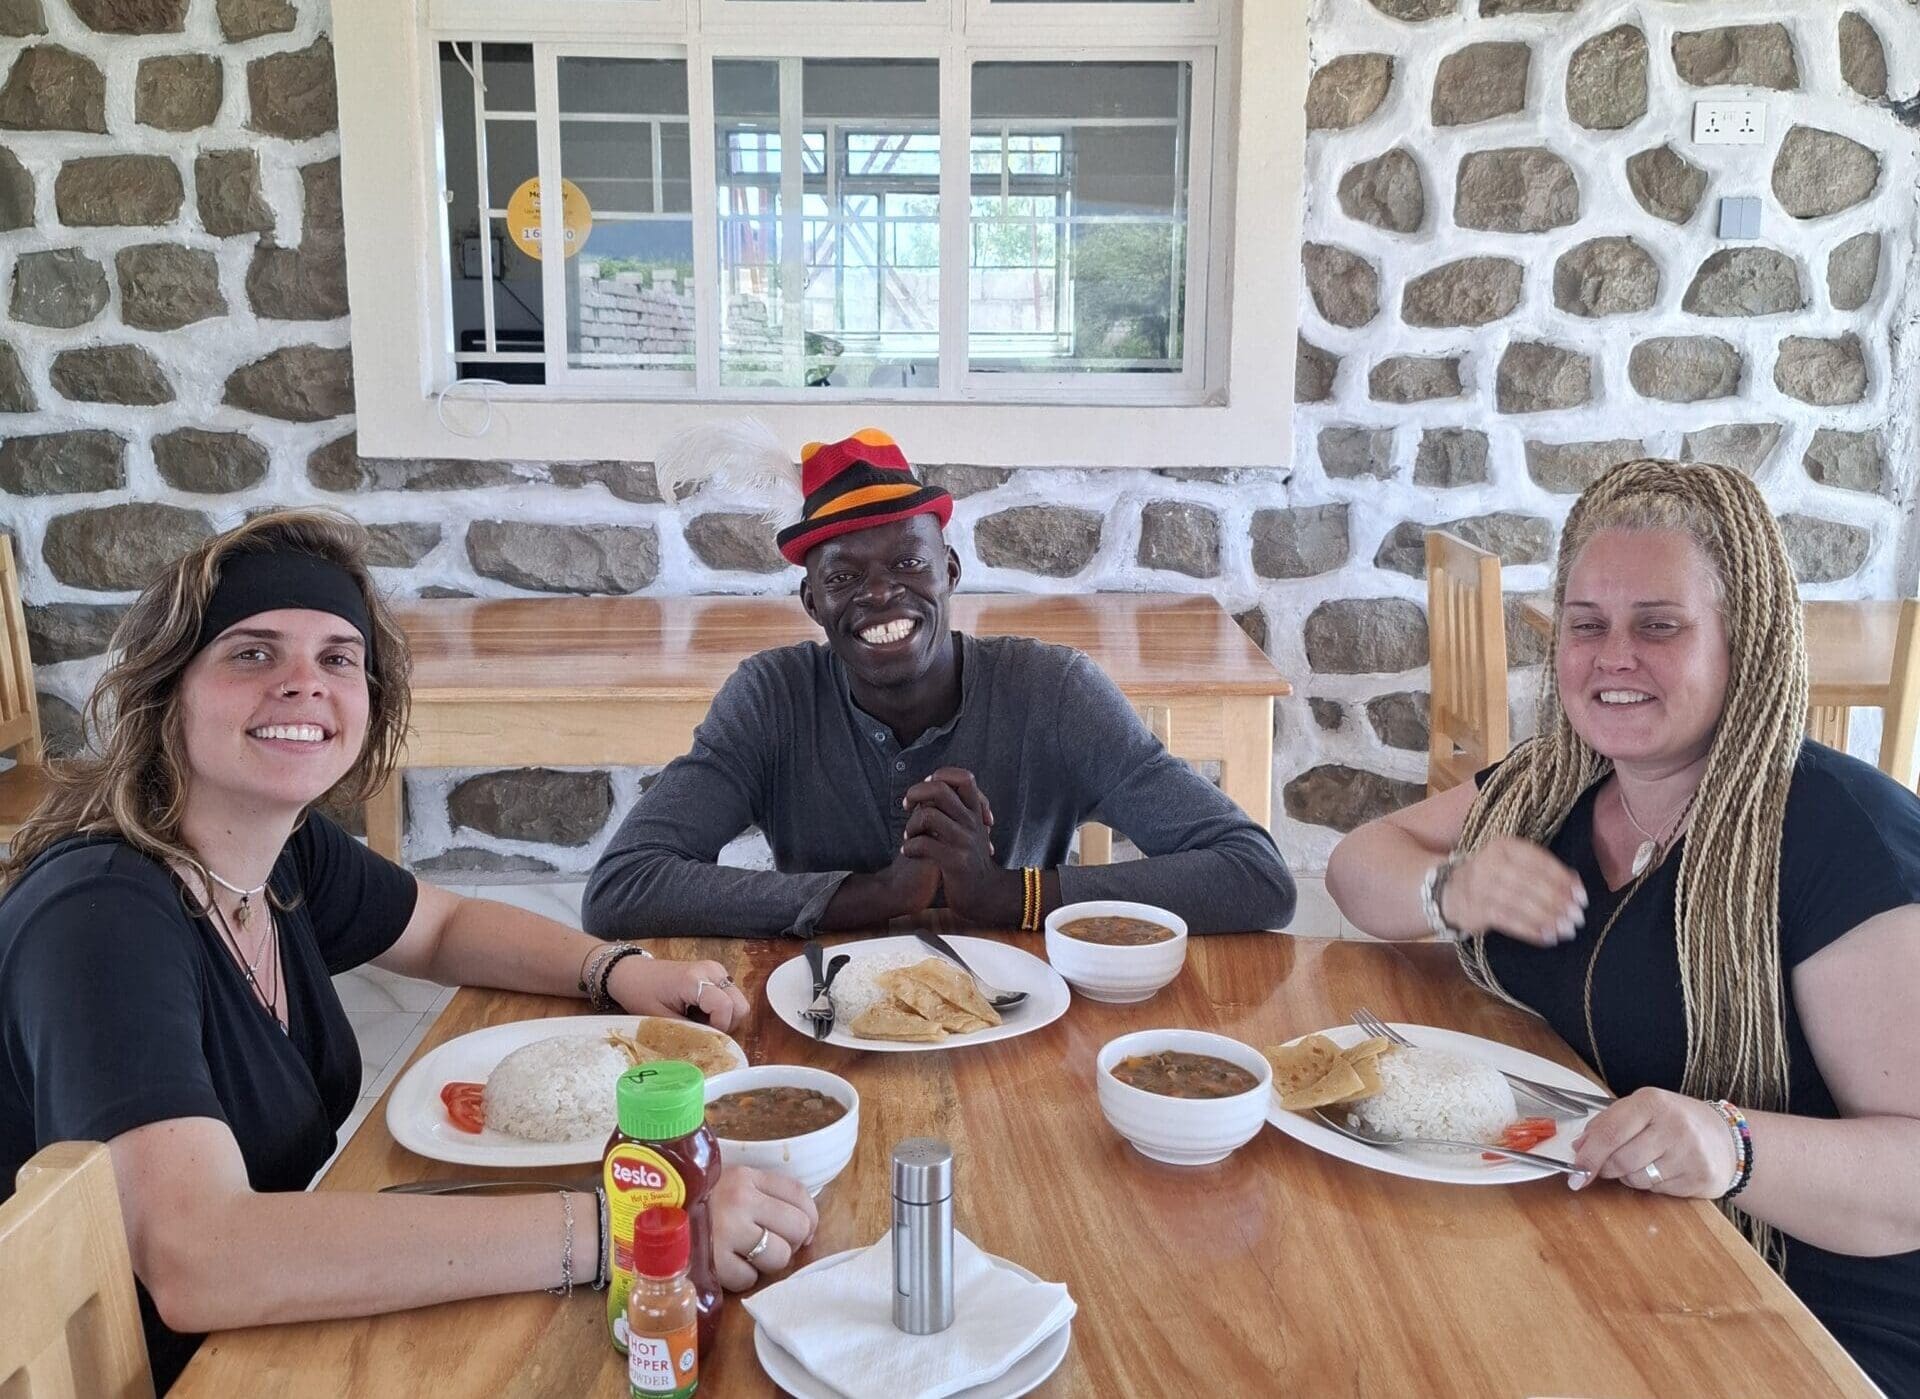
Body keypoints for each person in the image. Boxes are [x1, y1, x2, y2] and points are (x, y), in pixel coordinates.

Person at [0, 511, 816, 1392]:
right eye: (252, 653)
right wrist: (627, 1223)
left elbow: (442, 926)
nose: (303, 684)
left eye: (337, 658)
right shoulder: (102, 918)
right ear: (171, 691)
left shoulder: (275, 856)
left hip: (273, 1325)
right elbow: (201, 1256)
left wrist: (617, 970)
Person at [1325, 459, 1920, 1395]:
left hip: (1805, 1319)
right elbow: (1357, 865)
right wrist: (1451, 890)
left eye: (1659, 626)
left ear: (1743, 641)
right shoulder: (1553, 784)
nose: (1613, 657)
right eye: (1586, 626)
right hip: (1607, 1260)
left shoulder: (1842, 840)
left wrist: (1733, 1144)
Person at [583, 424, 1295, 941]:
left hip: (1023, 1024)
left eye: (907, 565)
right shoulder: (773, 699)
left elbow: (1255, 877)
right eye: (843, 577)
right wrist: (875, 895)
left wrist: (1009, 895)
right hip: (822, 1018)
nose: (881, 595)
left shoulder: (1052, 692)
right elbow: (623, 887)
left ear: (950, 571)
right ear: (812, 603)